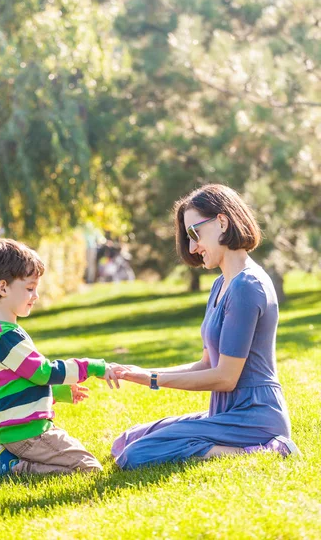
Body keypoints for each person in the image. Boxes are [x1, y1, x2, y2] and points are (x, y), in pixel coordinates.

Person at [111, 184, 300, 470]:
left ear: (222, 222)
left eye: (194, 234)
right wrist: (144, 374)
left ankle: (268, 448)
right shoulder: (220, 285)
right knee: (125, 442)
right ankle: (230, 444)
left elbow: (225, 378)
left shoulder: (248, 286)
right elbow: (207, 363)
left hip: (254, 415)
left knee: (135, 456)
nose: (192, 247)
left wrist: (155, 380)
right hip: (225, 411)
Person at [0, 238, 119, 478]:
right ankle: (11, 467)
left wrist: (57, 394)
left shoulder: (1, 333)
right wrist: (91, 366)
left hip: (19, 430)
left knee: (82, 467)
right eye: (29, 288)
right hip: (28, 433)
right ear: (3, 288)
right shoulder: (5, 336)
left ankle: (8, 456)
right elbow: (42, 372)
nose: (36, 295)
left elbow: (19, 382)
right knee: (89, 469)